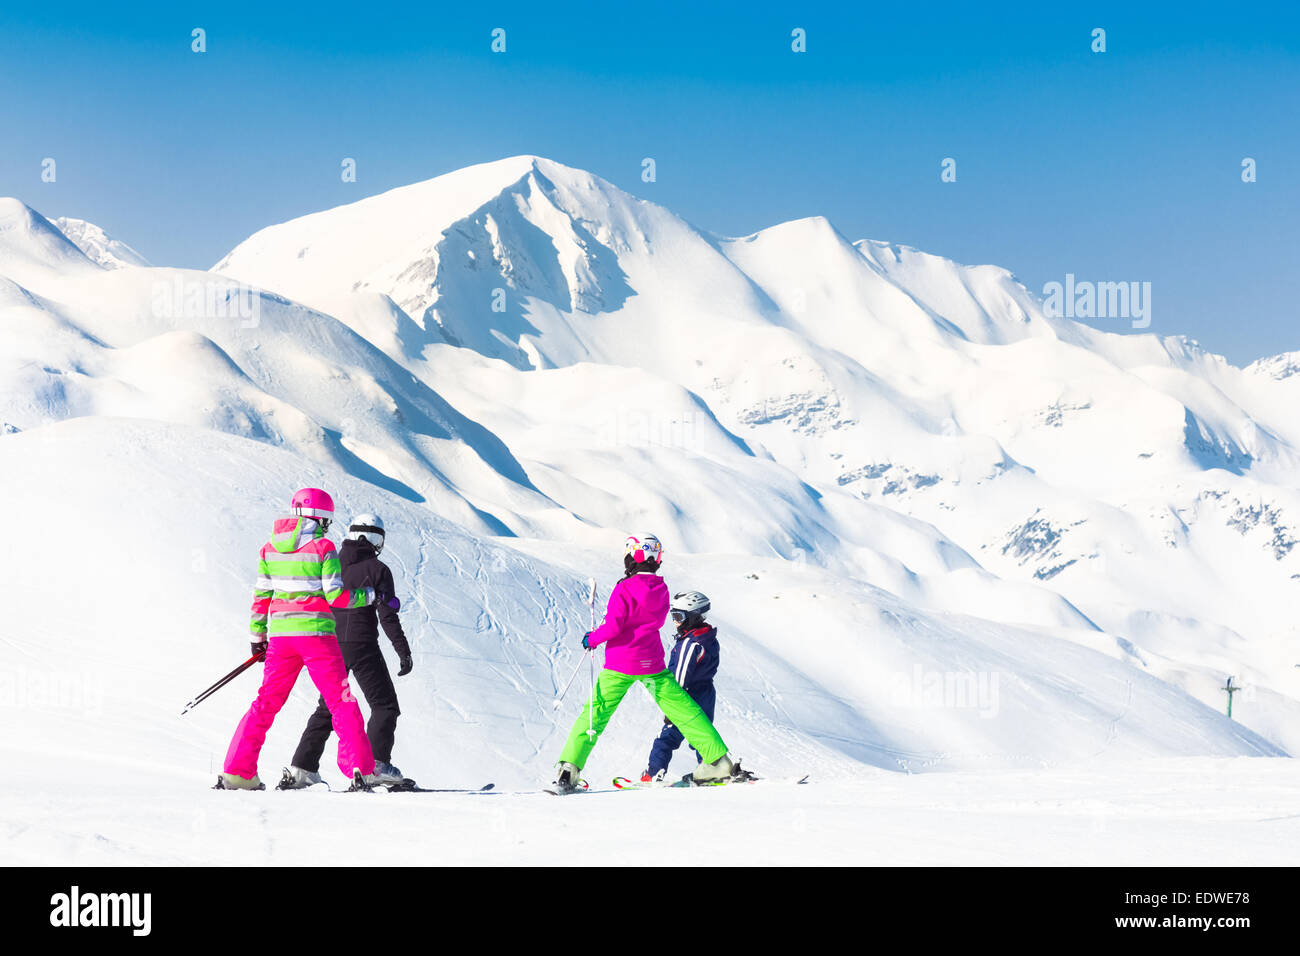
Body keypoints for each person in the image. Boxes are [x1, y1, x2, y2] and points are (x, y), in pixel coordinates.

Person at [552, 534, 744, 792]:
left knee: (595, 714)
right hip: (652, 664)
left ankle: (568, 771)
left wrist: (592, 639)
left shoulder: (624, 587)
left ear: (632, 557)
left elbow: (615, 626)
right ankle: (718, 761)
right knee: (684, 711)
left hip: (620, 664)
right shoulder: (661, 589)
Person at [218, 488, 378, 791]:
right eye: (325, 519)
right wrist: (367, 595)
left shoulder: (269, 549)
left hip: (281, 638)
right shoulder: (323, 547)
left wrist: (257, 637)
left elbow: (261, 596)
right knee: (340, 701)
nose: (326, 525)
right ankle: (361, 769)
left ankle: (238, 772)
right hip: (316, 635)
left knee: (265, 702)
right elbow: (336, 595)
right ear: (318, 517)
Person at [280, 513, 411, 789]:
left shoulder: (330, 561)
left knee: (328, 707)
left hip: (329, 643)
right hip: (363, 645)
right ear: (375, 538)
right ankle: (373, 765)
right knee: (385, 705)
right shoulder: (378, 570)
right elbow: (388, 616)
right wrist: (403, 651)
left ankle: (302, 768)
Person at [641, 590, 719, 783]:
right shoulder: (708, 638)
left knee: (666, 737)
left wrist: (672, 706)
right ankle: (712, 767)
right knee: (702, 733)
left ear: (693, 617)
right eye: (673, 616)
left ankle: (653, 773)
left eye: (679, 616)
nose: (675, 621)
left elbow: (680, 678)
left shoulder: (690, 643)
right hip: (706, 693)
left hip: (686, 696)